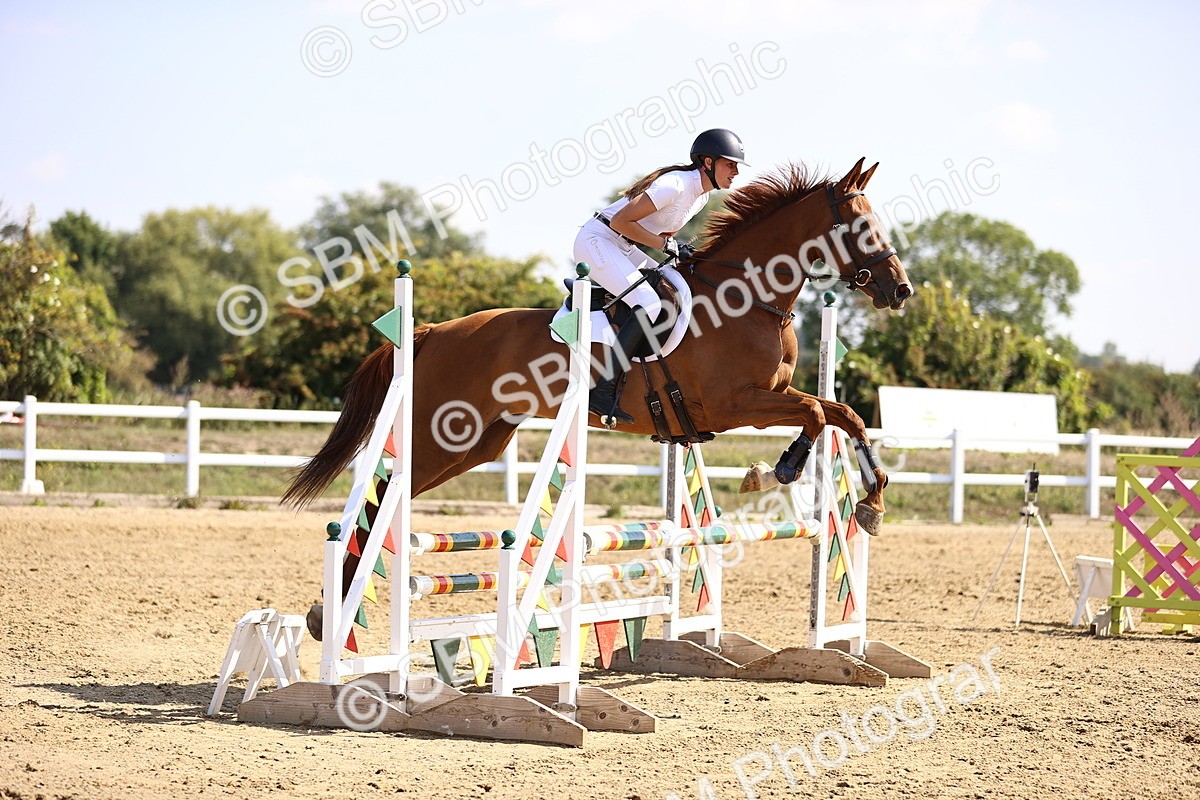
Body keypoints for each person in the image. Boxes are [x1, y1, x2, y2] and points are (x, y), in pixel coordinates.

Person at [574, 128, 747, 425]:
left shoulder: (700, 198)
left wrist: (682, 253)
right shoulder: (675, 186)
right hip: (598, 240)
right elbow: (621, 221)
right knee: (648, 302)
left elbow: (663, 234)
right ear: (707, 161)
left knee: (669, 286)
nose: (736, 172)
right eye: (730, 164)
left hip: (622, 245)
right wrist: (668, 246)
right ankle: (601, 389)